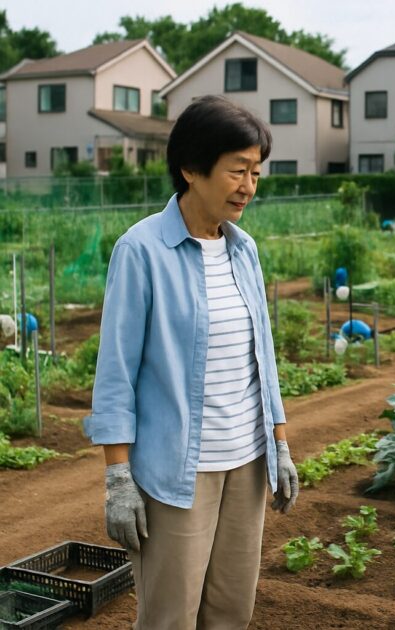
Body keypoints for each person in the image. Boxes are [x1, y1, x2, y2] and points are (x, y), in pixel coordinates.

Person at [83, 95, 298, 629]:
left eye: (255, 172)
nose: (249, 186)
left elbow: (262, 358)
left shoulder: (243, 249)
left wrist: (281, 442)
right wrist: (117, 478)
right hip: (178, 470)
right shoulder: (141, 251)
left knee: (229, 610)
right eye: (237, 171)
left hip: (246, 463)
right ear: (191, 169)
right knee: (169, 616)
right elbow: (116, 373)